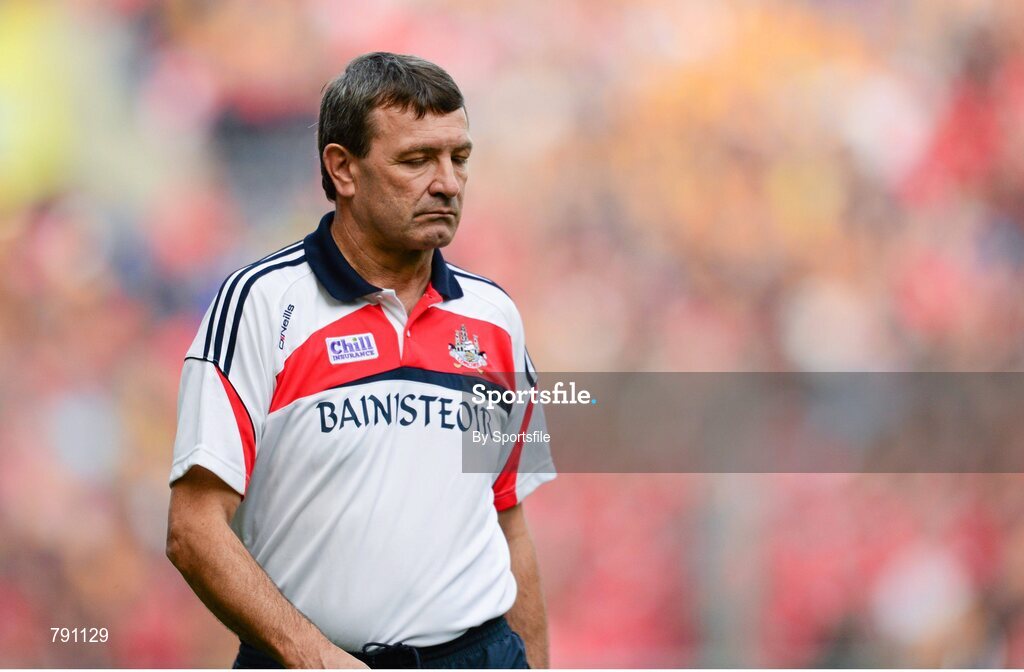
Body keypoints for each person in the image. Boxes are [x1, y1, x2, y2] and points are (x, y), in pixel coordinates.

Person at [165, 52, 556, 669]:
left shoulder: (493, 317)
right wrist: (313, 656)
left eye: (459, 158)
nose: (448, 183)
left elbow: (508, 521)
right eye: (416, 160)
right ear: (342, 169)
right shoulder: (261, 305)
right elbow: (192, 530)